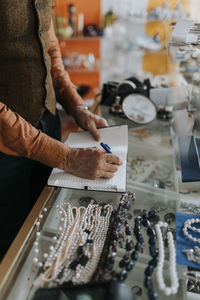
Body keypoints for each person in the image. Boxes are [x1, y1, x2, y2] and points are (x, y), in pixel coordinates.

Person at [0, 1, 122, 260]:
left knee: (49, 222)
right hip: (4, 148)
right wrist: (67, 157)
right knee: (9, 240)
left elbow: (50, 51)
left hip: (48, 123)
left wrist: (78, 106)